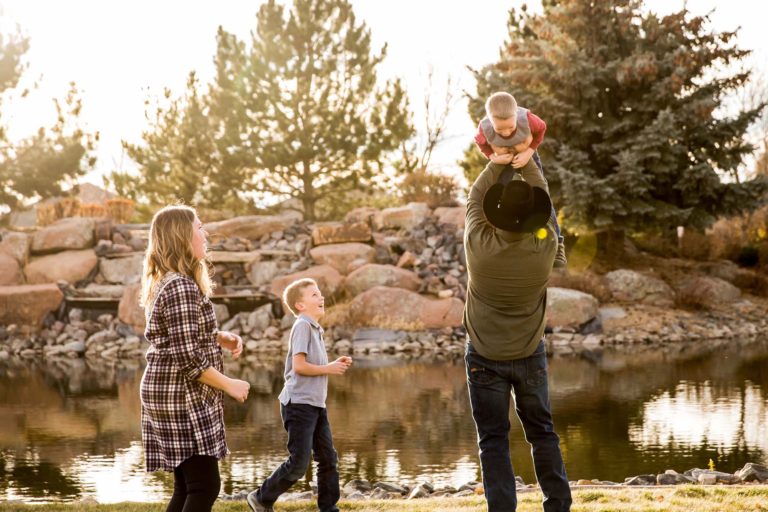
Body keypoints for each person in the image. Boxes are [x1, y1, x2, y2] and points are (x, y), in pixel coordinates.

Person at [463, 159, 572, 512]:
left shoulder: (477, 243)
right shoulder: (546, 246)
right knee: (542, 433)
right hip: (530, 356)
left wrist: (496, 162)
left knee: (493, 440)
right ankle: (557, 506)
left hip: (483, 358)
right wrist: (529, 162)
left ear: (496, 214)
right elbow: (547, 210)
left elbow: (474, 198)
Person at [139, 204, 250, 512]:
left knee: (189, 485)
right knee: (204, 486)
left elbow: (178, 334)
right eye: (199, 228)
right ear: (182, 237)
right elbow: (188, 359)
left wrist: (219, 337)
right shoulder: (180, 286)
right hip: (179, 395)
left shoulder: (170, 281)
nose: (205, 233)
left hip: (170, 392)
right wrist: (229, 384)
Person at [247, 278, 352, 512]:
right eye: (314, 295)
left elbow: (311, 366)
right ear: (300, 305)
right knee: (298, 463)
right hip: (298, 405)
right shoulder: (303, 325)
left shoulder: (315, 328)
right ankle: (261, 497)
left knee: (327, 459)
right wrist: (329, 369)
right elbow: (300, 367)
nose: (321, 297)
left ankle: (328, 508)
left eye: (320, 292)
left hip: (315, 404)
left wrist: (333, 363)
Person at [474, 91, 567, 268]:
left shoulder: (529, 119)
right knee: (496, 194)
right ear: (490, 120)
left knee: (542, 194)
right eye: (499, 129)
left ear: (516, 114)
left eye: (510, 126)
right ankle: (497, 237)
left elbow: (541, 130)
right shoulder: (483, 127)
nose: (507, 132)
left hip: (527, 156)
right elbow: (480, 143)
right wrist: (492, 157)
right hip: (503, 159)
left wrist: (529, 152)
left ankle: (558, 244)